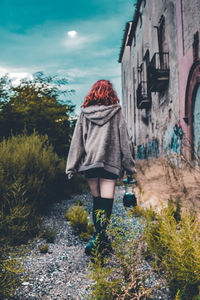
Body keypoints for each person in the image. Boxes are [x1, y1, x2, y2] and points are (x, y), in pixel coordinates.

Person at [66, 80, 135, 256]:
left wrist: (71, 167)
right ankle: (99, 239)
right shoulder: (116, 111)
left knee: (97, 202)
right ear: (110, 93)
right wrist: (129, 167)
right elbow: (124, 140)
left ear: (92, 93)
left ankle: (100, 239)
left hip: (90, 164)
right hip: (109, 163)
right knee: (106, 203)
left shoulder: (84, 114)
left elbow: (77, 141)